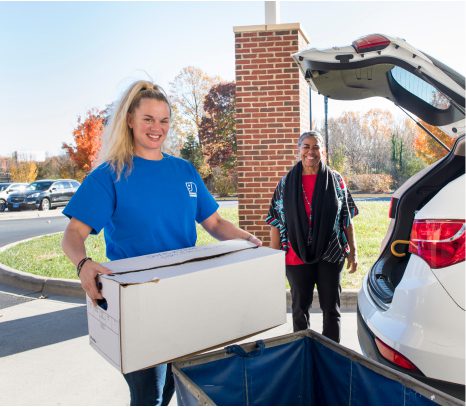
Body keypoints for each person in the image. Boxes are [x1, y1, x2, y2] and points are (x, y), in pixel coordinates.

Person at [61, 80, 261, 406]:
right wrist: (83, 264)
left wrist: (249, 241)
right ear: (130, 120)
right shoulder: (109, 175)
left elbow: (214, 223)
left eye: (164, 120)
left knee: (175, 386)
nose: (157, 128)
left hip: (183, 298)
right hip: (137, 303)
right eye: (148, 119)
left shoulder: (183, 171)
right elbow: (73, 234)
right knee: (149, 397)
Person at [266, 131, 358, 343]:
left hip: (331, 253)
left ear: (323, 151)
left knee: (331, 310)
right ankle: (302, 354)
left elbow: (346, 218)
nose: (311, 151)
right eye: (306, 146)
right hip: (295, 257)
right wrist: (273, 260)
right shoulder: (286, 183)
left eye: (316, 147)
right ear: (299, 150)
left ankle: (332, 355)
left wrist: (353, 251)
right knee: (299, 310)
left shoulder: (336, 181)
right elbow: (276, 222)